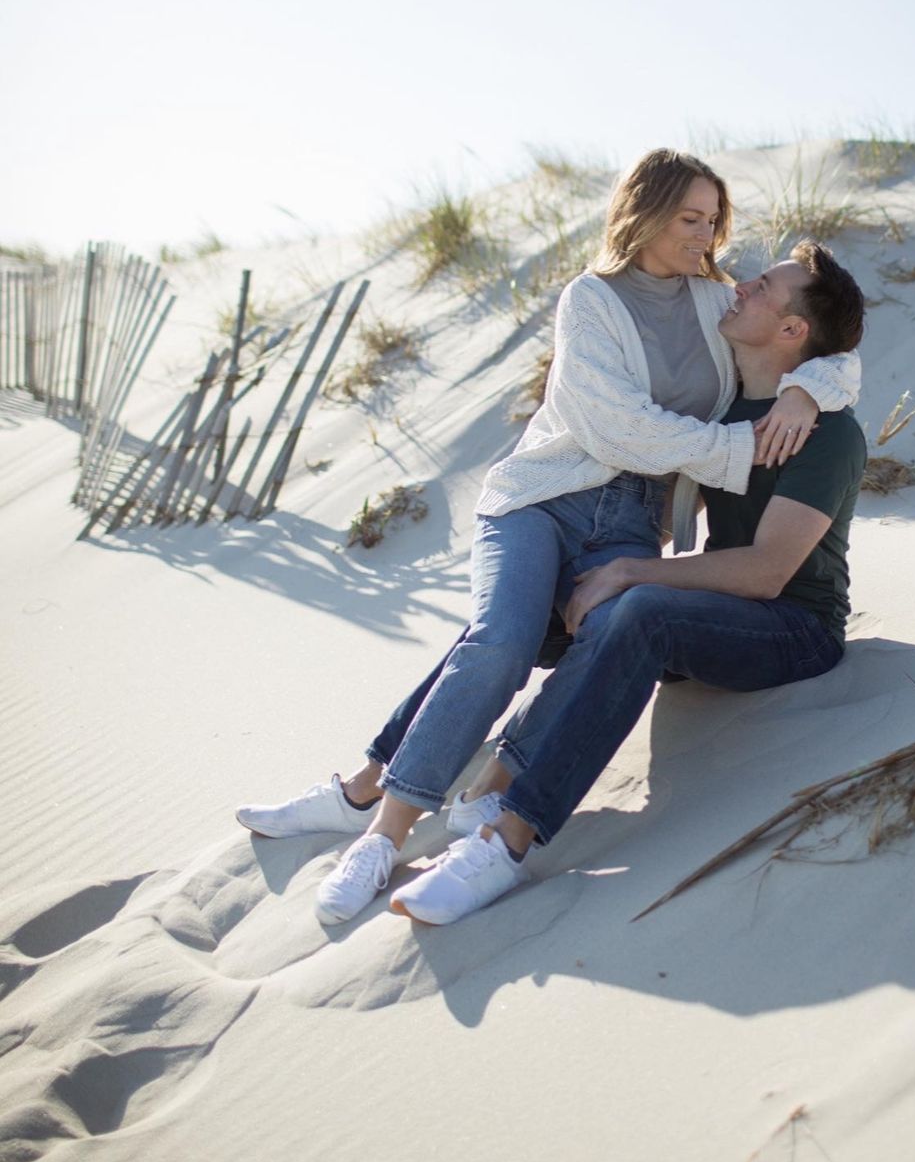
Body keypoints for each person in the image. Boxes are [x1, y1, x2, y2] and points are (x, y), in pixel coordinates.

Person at [235, 151, 861, 922]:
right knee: (507, 630)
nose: (714, 245)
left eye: (713, 223)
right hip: (556, 500)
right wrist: (759, 426)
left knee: (607, 620)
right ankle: (374, 809)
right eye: (689, 219)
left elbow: (822, 363)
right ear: (646, 213)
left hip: (712, 574)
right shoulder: (632, 327)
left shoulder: (767, 362)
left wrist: (809, 389)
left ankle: (490, 819)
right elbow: (629, 419)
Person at [387, 240, 868, 925]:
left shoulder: (827, 434)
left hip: (795, 629)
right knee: (527, 609)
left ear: (793, 331)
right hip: (709, 610)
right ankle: (382, 781)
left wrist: (630, 569)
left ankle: (506, 838)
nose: (740, 288)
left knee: (638, 607)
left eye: (762, 288)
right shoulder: (726, 416)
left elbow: (766, 574)